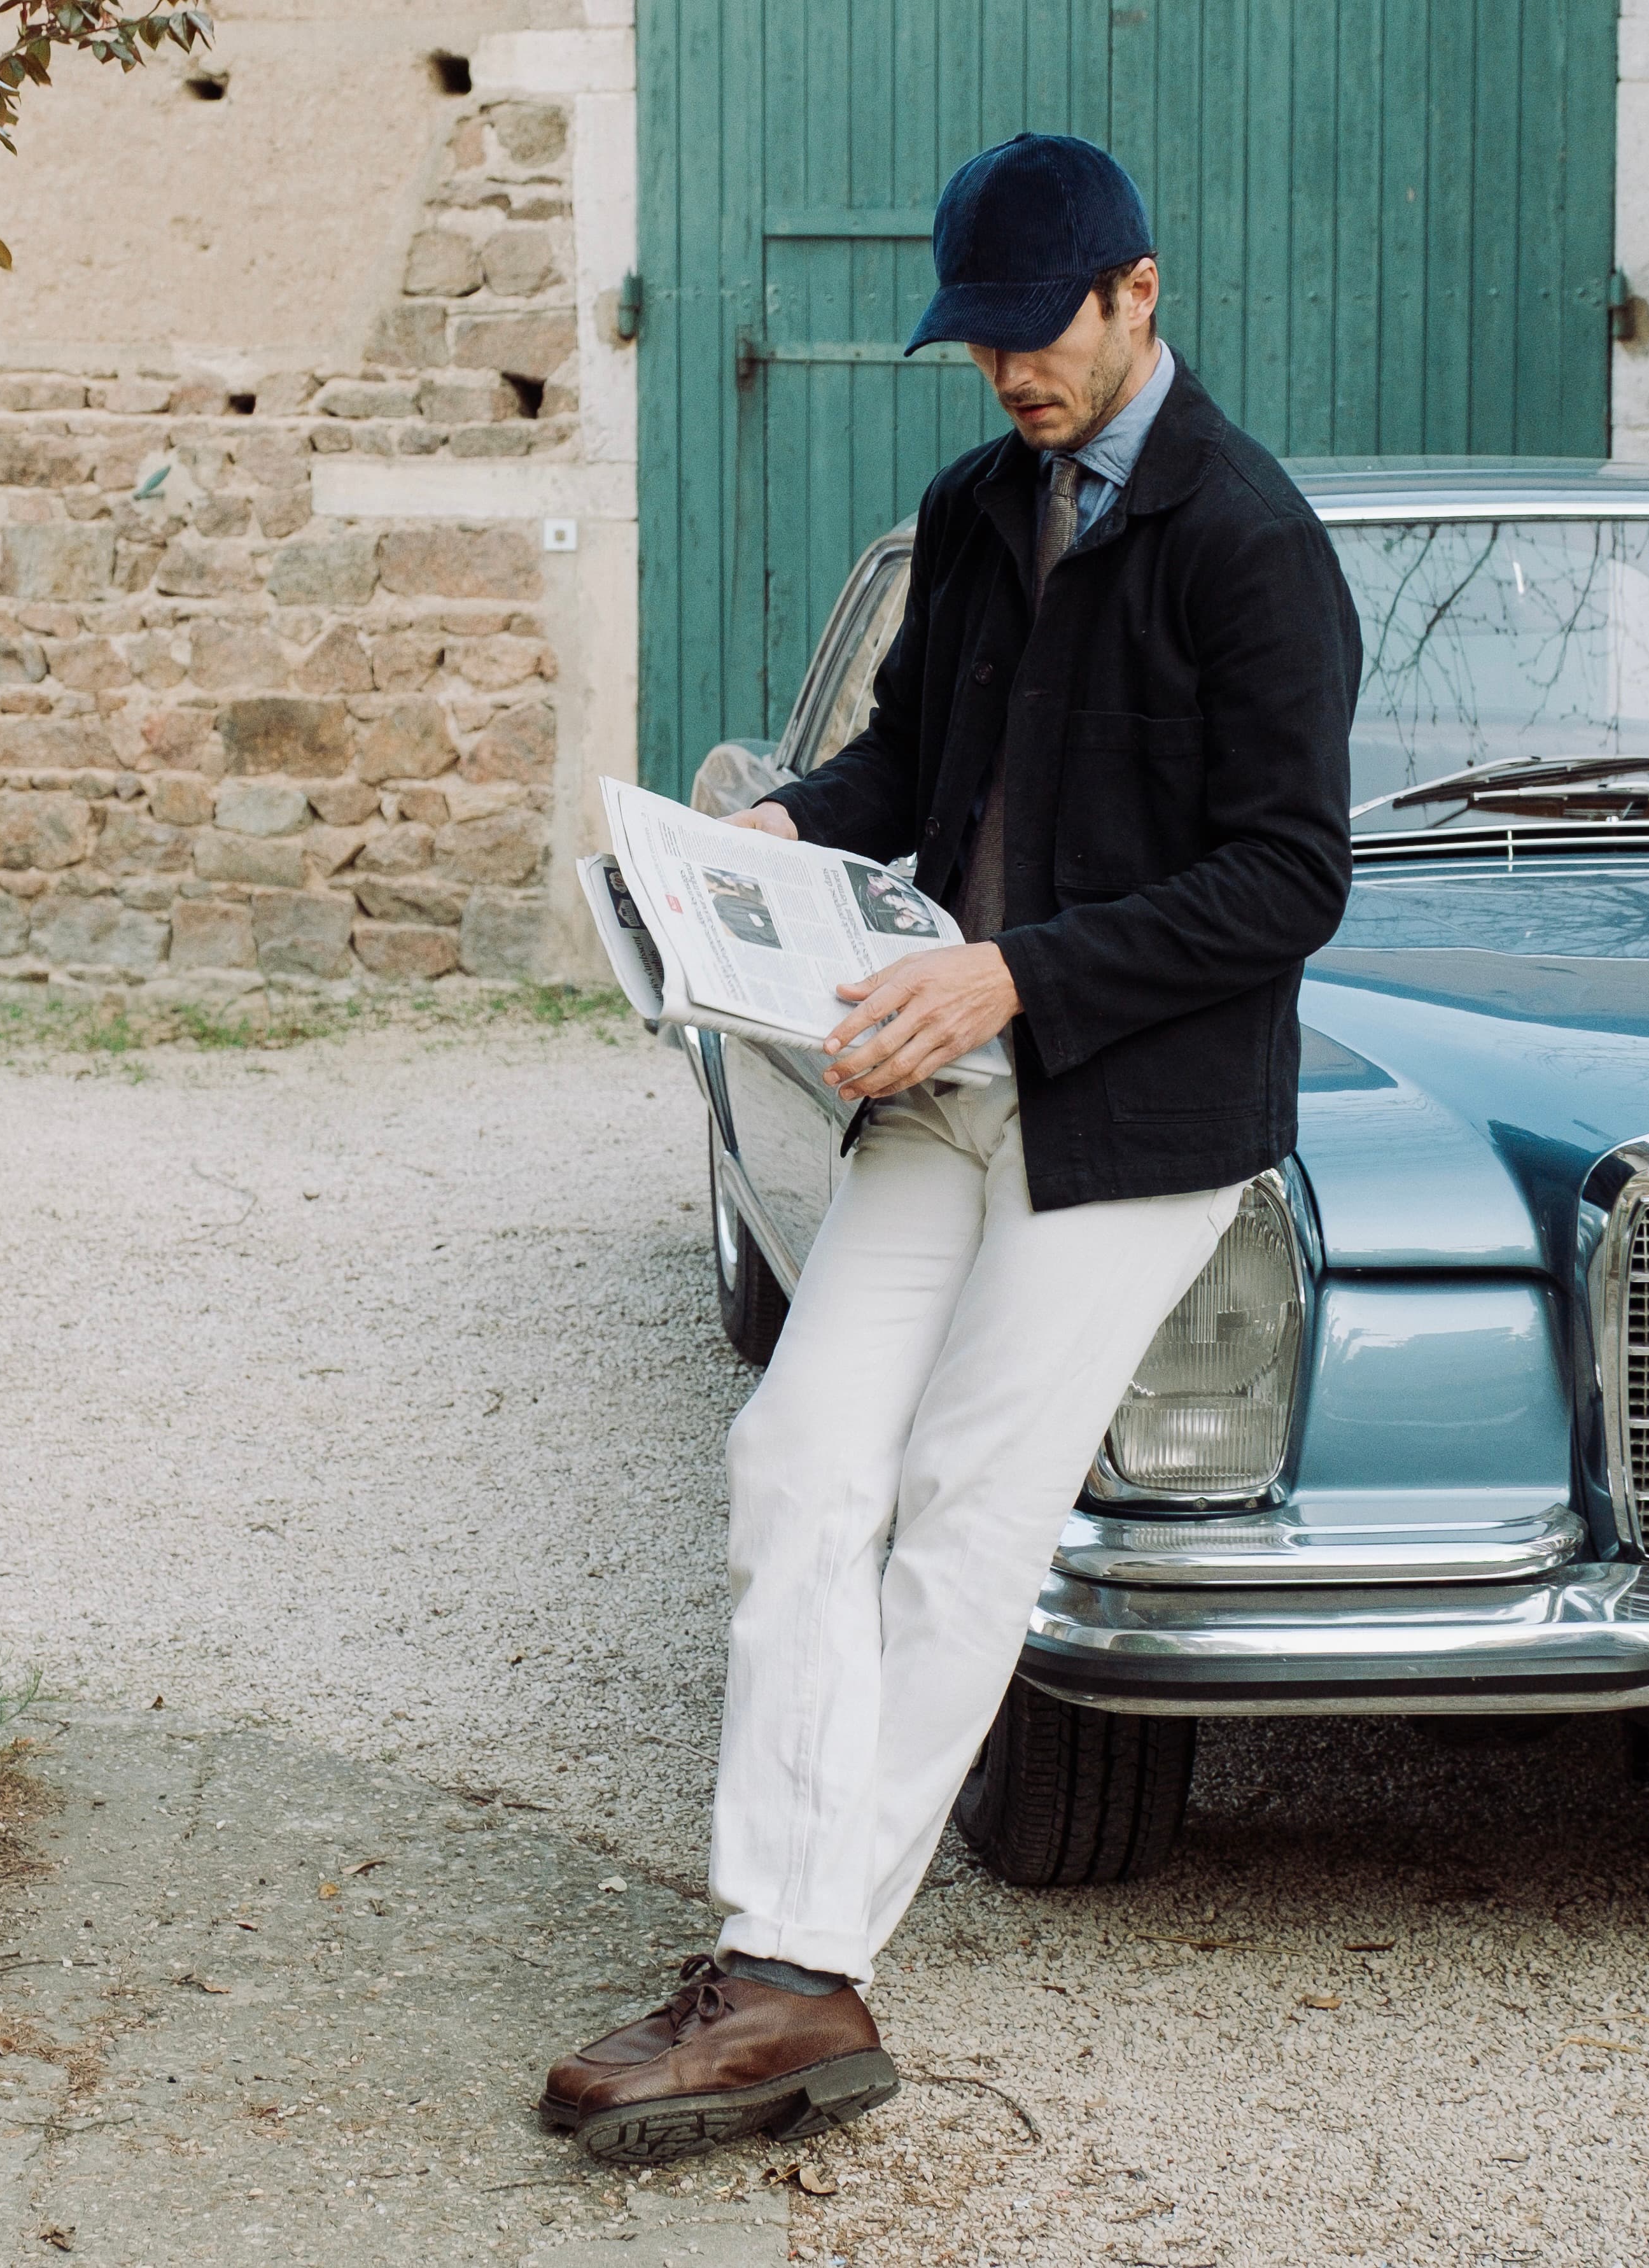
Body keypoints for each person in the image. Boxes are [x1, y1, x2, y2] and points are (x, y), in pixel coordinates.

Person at [540, 132, 1360, 2166]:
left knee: (973, 1503)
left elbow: (1290, 882)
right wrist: (786, 832)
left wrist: (1012, 978)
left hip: (1137, 1117)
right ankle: (786, 1962)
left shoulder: (1250, 540)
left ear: (1137, 293)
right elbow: (916, 763)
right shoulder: (977, 507)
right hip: (948, 1083)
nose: (1008, 372)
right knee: (796, 1460)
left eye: (1036, 332)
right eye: (978, 339)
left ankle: (791, 1957)